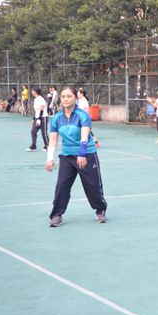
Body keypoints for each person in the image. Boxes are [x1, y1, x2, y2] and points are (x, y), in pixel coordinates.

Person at [45, 86, 107, 227]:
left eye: (69, 96)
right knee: (61, 186)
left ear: (75, 98)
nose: (65, 99)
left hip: (87, 154)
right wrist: (49, 159)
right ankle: (56, 215)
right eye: (63, 96)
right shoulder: (56, 118)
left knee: (92, 186)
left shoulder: (82, 115)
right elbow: (53, 140)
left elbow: (84, 135)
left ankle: (100, 210)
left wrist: (82, 154)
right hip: (67, 157)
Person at [26, 87, 49, 152]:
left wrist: (39, 119)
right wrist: (34, 119)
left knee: (44, 133)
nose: (31, 92)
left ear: (35, 92)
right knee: (33, 131)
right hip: (37, 118)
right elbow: (36, 110)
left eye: (32, 91)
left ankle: (47, 146)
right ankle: (33, 146)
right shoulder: (36, 99)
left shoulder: (41, 99)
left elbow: (42, 109)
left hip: (43, 118)